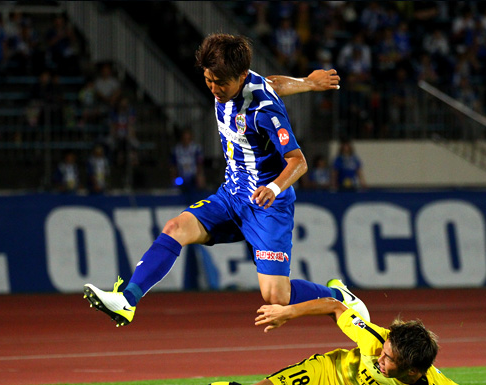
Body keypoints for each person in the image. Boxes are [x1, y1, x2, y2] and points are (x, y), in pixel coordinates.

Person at [83, 33, 348, 327]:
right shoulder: (237, 79)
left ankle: (339, 297)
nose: (214, 88)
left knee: (276, 296)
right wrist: (308, 82)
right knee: (175, 228)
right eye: (209, 80)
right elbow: (272, 82)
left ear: (241, 76)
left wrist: (273, 188)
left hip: (267, 205)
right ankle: (127, 300)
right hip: (231, 197)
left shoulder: (266, 111)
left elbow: (298, 161)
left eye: (221, 83)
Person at [130, 284, 486, 385]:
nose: (381, 360)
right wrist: (286, 312)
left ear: (414, 373)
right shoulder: (375, 339)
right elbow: (334, 306)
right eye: (384, 352)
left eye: (390, 361)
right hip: (325, 374)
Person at [170, 128, 205, 194]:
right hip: (181, 175)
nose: (186, 141)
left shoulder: (196, 148)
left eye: (188, 139)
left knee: (200, 179)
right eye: (184, 139)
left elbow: (200, 163)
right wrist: (174, 176)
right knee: (175, 183)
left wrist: (199, 175)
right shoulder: (176, 149)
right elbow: (173, 165)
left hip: (193, 175)